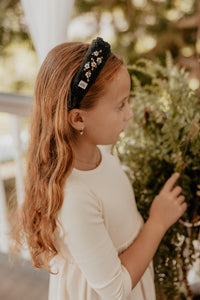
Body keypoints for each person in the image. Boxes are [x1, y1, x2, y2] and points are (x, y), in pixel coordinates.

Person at [18, 37, 187, 300]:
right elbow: (115, 290)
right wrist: (158, 222)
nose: (129, 114)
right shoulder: (74, 197)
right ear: (78, 118)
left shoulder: (102, 152)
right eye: (120, 105)